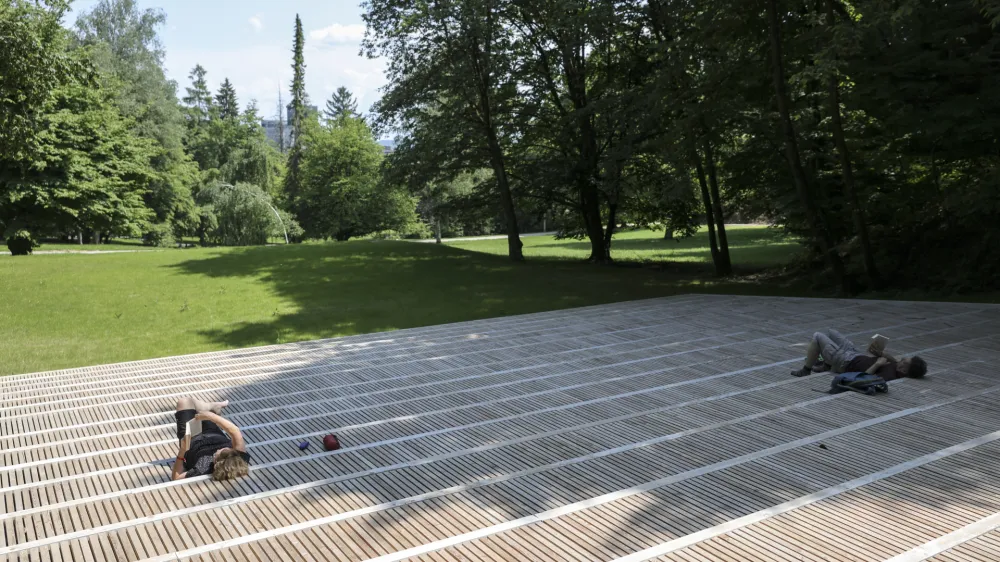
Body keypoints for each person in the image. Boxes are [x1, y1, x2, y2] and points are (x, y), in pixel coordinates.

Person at [790, 329, 927, 381]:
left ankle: (806, 370)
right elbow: (895, 360)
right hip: (854, 354)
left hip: (845, 362)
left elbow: (864, 378)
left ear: (904, 371)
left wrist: (877, 364)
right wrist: (881, 353)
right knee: (831, 332)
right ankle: (826, 364)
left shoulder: (890, 375)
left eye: (905, 362)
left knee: (817, 336)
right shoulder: (897, 367)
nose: (902, 359)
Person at [171, 396, 250, 481]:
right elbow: (235, 431)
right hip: (212, 431)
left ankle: (211, 407)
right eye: (228, 448)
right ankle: (211, 407)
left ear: (215, 461)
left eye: (221, 450)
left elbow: (176, 478)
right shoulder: (238, 459)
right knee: (202, 412)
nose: (222, 448)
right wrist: (211, 416)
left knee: (184, 402)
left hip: (190, 437)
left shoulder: (202, 469)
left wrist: (182, 450)